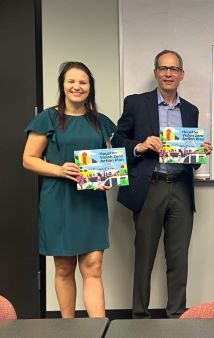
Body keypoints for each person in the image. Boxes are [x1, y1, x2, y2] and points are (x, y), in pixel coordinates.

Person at [111, 50, 212, 319]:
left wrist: (199, 152)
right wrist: (141, 145)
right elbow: (118, 140)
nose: (169, 73)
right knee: (144, 258)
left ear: (182, 74)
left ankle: (177, 317)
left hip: (181, 187)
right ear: (156, 72)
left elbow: (192, 160)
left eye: (174, 69)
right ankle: (139, 318)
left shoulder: (191, 110)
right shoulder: (136, 103)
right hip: (149, 187)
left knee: (178, 259)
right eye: (163, 68)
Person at [23, 62, 117, 317]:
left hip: (91, 202)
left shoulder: (101, 121)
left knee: (93, 267)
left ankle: (98, 328)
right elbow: (28, 158)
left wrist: (108, 177)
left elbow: (110, 160)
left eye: (83, 82)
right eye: (71, 82)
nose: (77, 87)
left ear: (90, 87)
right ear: (62, 85)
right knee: (64, 268)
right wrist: (59, 169)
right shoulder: (47, 118)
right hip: (59, 200)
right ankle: (68, 328)